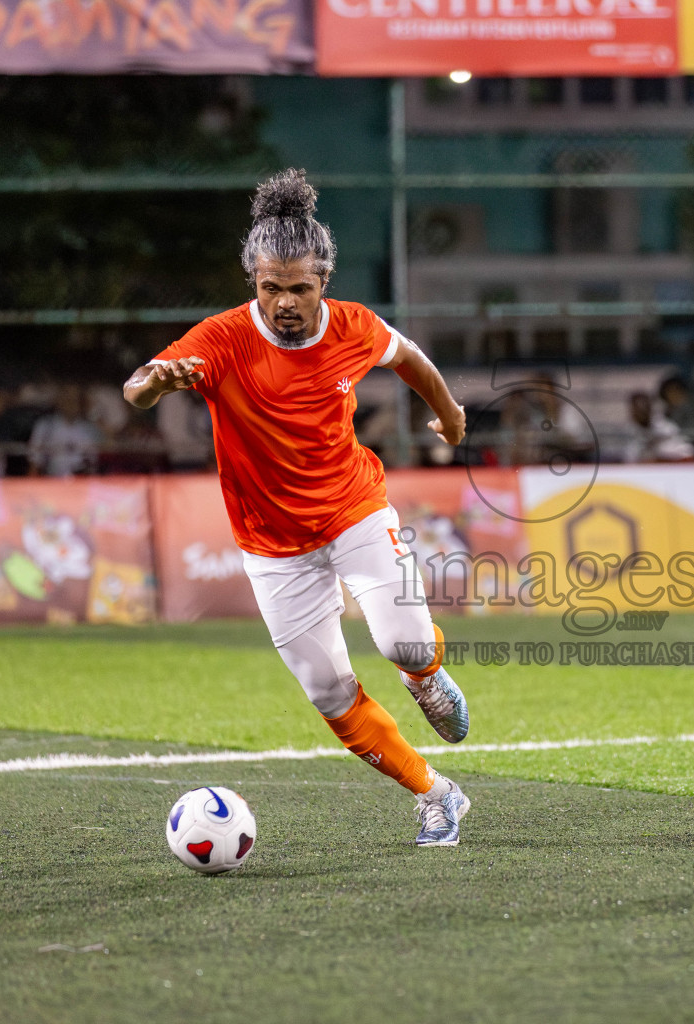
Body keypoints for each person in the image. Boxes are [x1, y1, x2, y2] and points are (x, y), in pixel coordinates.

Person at [122, 169, 473, 847]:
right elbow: (137, 388)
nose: (284, 302)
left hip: (356, 513)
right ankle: (437, 796)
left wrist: (451, 417)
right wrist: (154, 383)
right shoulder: (221, 338)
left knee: (403, 642)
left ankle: (425, 678)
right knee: (329, 694)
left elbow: (412, 360)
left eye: (299, 288)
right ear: (253, 280)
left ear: (325, 281)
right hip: (272, 545)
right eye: (270, 287)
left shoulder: (353, 328)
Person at [621, 391, 694, 463]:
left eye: (644, 406)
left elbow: (687, 451)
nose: (641, 411)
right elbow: (630, 457)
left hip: (673, 464)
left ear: (650, 407)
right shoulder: (629, 430)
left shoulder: (665, 426)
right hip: (643, 468)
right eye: (637, 407)